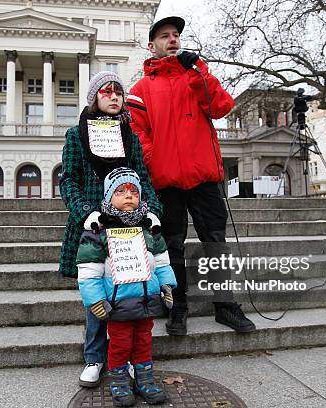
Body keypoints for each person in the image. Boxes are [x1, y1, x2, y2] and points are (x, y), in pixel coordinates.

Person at [127, 16, 256, 336]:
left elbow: (221, 107)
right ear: (152, 45)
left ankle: (226, 305)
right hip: (165, 181)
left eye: (176, 35)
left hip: (204, 177)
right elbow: (136, 132)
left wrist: (199, 72)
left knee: (216, 240)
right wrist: (155, 161)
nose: (172, 39)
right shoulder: (141, 88)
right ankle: (178, 306)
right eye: (164, 36)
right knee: (172, 244)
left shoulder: (197, 73)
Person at [58, 71, 163, 388]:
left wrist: (154, 211)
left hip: (128, 228)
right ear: (94, 98)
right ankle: (95, 357)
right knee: (96, 299)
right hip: (94, 226)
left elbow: (142, 178)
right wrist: (84, 212)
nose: (115, 96)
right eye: (107, 91)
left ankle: (129, 358)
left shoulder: (129, 136)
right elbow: (69, 181)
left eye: (119, 91)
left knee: (129, 293)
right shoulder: (76, 136)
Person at [76, 167, 177, 406]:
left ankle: (144, 379)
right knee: (120, 345)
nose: (129, 195)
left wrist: (167, 286)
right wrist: (96, 300)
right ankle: (119, 381)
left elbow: (161, 261)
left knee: (144, 342)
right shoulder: (98, 232)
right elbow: (89, 271)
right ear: (109, 197)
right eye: (121, 191)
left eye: (133, 190)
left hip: (147, 300)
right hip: (117, 303)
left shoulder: (149, 229)